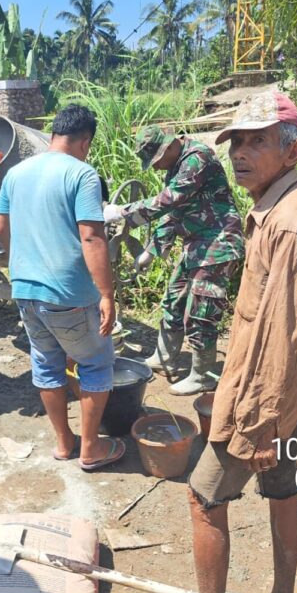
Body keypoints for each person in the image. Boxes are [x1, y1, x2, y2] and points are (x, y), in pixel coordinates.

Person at [178, 92, 297, 593]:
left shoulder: (292, 221)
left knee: (204, 497)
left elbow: (287, 336)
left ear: (291, 153)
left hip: (262, 403)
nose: (240, 154)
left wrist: (264, 423)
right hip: (282, 401)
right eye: (237, 143)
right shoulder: (279, 210)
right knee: (282, 490)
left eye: (258, 142)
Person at [0, 104, 125, 471]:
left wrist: (23, 263)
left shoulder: (16, 174)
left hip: (25, 289)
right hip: (68, 292)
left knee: (47, 364)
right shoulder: (82, 175)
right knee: (96, 363)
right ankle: (90, 448)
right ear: (85, 141)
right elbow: (91, 236)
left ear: (54, 134)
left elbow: (1, 229)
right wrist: (107, 294)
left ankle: (64, 442)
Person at [103, 126, 243, 395]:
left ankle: (203, 375)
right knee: (174, 298)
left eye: (155, 161)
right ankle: (164, 358)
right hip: (196, 243)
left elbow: (168, 200)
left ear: (168, 147)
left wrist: (120, 212)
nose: (155, 169)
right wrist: (152, 251)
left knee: (202, 309)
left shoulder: (196, 158)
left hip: (218, 242)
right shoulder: (176, 166)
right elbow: (173, 213)